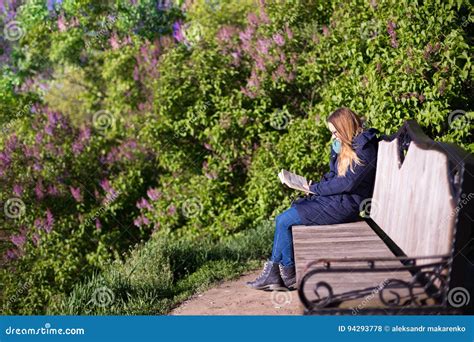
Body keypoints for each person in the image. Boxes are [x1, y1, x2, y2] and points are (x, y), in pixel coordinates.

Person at [246, 107, 380, 291]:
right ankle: (280, 273)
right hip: (336, 202)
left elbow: (347, 183)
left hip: (345, 206)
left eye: (335, 132)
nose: (333, 137)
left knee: (284, 220)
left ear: (345, 127)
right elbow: (335, 176)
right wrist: (316, 182)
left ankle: (283, 273)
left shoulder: (365, 147)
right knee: (287, 217)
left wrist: (315, 189)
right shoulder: (350, 144)